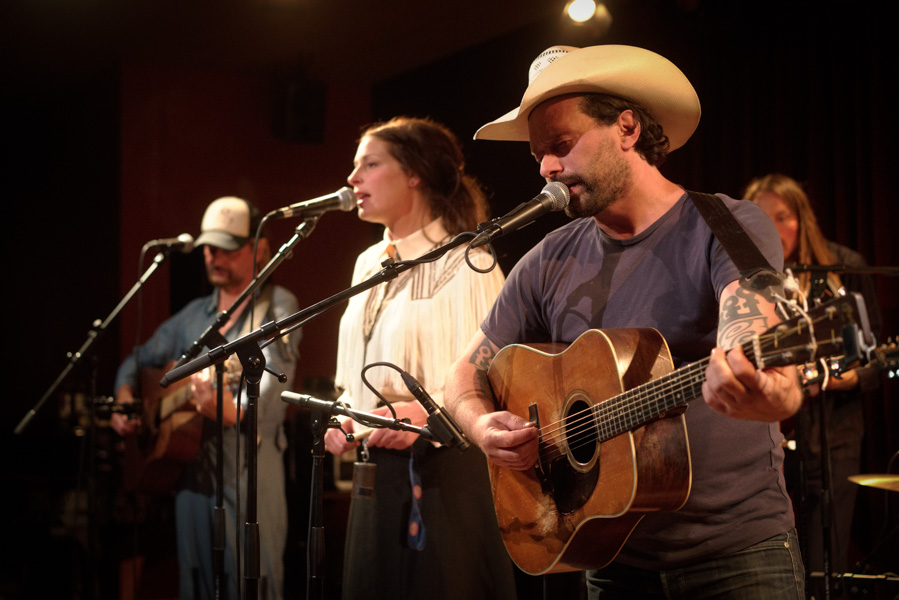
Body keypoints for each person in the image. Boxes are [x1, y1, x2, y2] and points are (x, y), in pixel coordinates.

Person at [444, 45, 806, 599]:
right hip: (609, 555)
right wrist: (481, 427)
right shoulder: (547, 259)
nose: (546, 168)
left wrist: (762, 385)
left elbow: (750, 328)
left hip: (736, 554)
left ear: (628, 128)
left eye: (561, 146)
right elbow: (463, 376)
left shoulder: (727, 224)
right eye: (539, 154)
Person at [323, 116, 515, 599]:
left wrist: (426, 411)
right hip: (378, 471)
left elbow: (494, 374)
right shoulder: (368, 263)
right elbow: (360, 369)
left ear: (414, 173)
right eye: (354, 166)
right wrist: (346, 415)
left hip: (446, 474)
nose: (353, 180)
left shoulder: (467, 258)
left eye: (369, 165)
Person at [111, 196, 300, 600]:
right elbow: (137, 359)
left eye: (227, 248)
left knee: (252, 582)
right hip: (191, 474)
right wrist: (126, 397)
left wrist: (226, 411)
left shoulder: (276, 306)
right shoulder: (194, 315)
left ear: (260, 249)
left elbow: (268, 405)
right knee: (195, 583)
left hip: (249, 468)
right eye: (208, 248)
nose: (213, 257)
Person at [744, 173, 883, 576]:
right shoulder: (743, 283)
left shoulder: (846, 267)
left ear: (803, 219)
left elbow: (873, 360)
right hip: (765, 445)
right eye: (760, 218)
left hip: (833, 435)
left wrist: (841, 378)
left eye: (782, 216)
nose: (772, 228)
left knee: (826, 559)